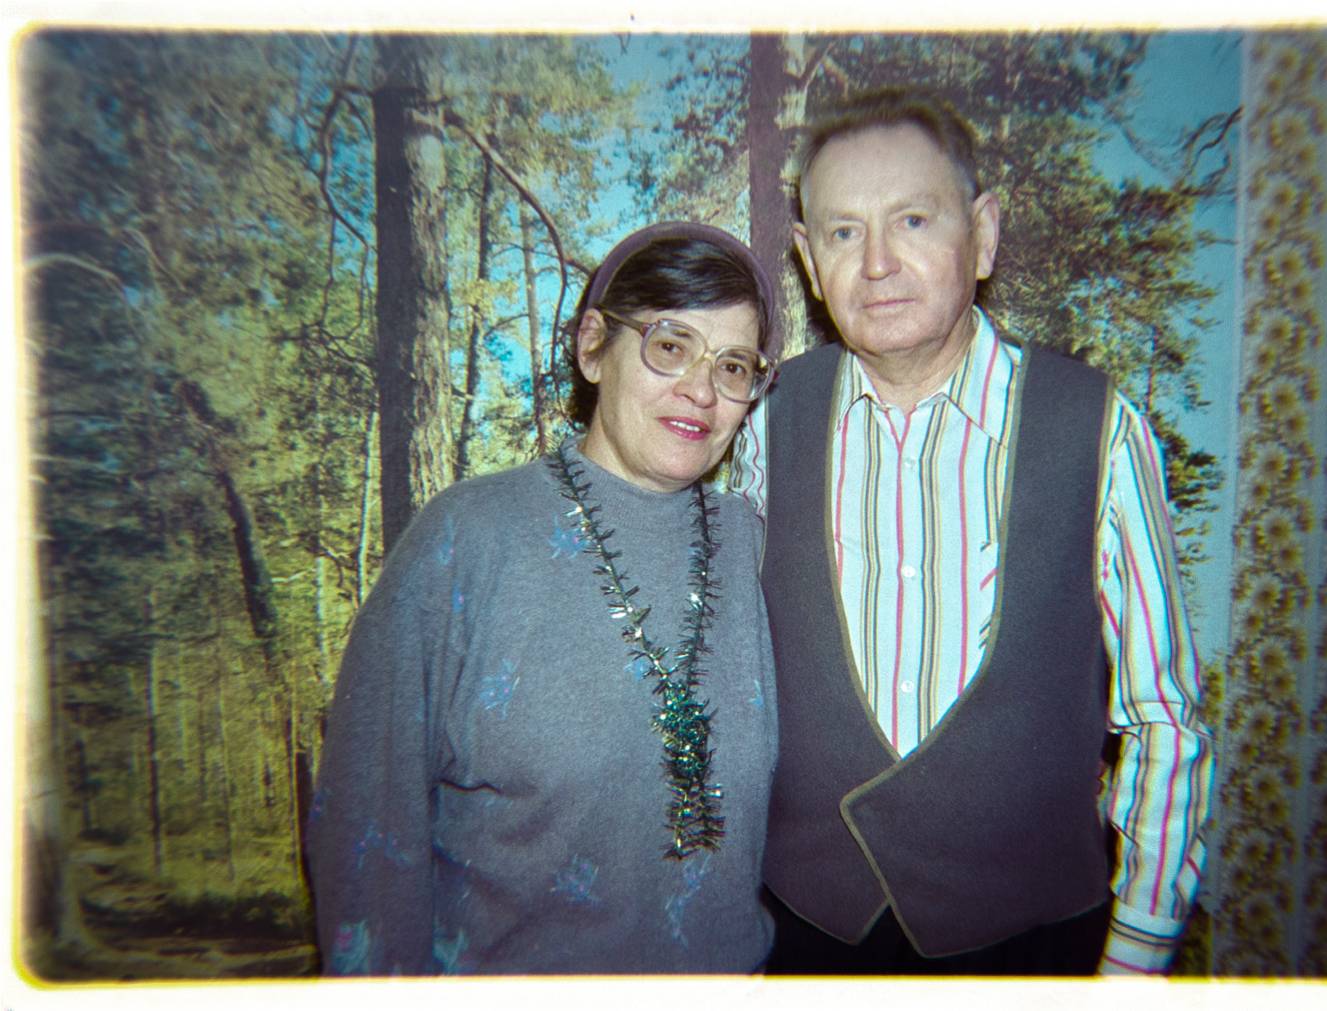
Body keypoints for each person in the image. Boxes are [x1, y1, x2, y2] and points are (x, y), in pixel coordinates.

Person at [729, 88, 1215, 976]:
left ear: (983, 235)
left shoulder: (1098, 428)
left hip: (1035, 949)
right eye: (843, 232)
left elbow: (1164, 717)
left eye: (913, 220)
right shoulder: (764, 422)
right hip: (806, 939)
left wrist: (1137, 959)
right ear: (808, 261)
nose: (877, 263)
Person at [307, 222, 783, 974]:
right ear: (593, 346)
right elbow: (367, 827)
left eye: (732, 366)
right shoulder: (464, 541)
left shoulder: (751, 543)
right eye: (670, 345)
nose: (701, 390)